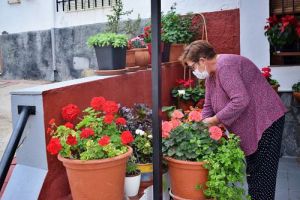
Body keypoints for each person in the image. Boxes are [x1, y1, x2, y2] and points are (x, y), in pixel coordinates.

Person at [179, 40, 286, 200]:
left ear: (202, 60)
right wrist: (199, 127)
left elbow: (241, 99)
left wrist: (214, 120)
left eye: (192, 67)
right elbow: (208, 106)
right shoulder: (211, 76)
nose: (193, 71)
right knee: (253, 173)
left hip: (267, 121)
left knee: (262, 176)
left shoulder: (225, 66)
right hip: (256, 123)